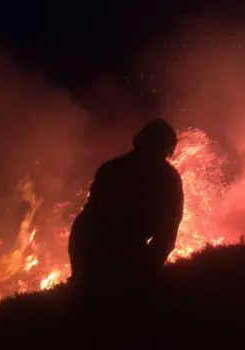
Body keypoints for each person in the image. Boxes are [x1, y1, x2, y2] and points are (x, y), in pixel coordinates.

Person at [68, 118, 184, 289]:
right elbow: (169, 227)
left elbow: (167, 229)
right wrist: (150, 268)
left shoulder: (111, 168)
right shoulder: (167, 177)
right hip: (108, 245)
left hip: (90, 241)